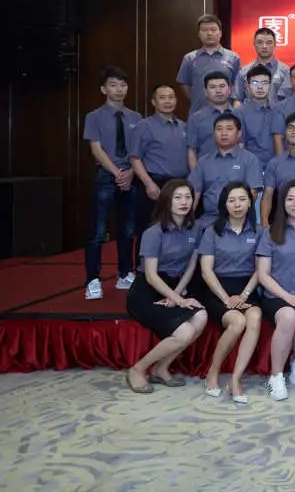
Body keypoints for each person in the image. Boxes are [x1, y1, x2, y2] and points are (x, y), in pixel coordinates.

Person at [123, 179, 207, 393]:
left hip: (174, 287)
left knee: (201, 316)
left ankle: (161, 368)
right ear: (167, 201)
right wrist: (178, 299)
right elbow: (151, 276)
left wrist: (176, 295)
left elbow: (191, 266)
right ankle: (137, 369)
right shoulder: (154, 232)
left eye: (188, 197)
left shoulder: (195, 229)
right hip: (146, 292)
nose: (184, 202)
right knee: (185, 332)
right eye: (177, 197)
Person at [195, 182, 262, 404]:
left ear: (250, 203)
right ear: (224, 204)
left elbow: (261, 270)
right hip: (217, 288)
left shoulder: (259, 231)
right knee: (237, 321)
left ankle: (236, 378)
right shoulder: (212, 231)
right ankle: (213, 371)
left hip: (246, 288)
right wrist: (226, 299)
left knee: (254, 316)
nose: (237, 205)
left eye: (242, 199)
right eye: (232, 200)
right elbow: (206, 270)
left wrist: (243, 296)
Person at [256, 180, 295, 402]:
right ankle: (275, 376)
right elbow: (263, 274)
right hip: (277, 296)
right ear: (282, 203)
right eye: (290, 199)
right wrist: (288, 297)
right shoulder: (270, 233)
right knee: (288, 316)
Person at [84, 66, 142, 300]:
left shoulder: (136, 118)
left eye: (123, 85)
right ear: (103, 89)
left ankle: (125, 273)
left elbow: (139, 149)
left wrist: (130, 172)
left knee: (128, 229)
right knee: (98, 230)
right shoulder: (94, 116)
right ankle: (92, 279)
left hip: (131, 175)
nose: (119, 89)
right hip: (106, 175)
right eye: (113, 85)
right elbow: (96, 149)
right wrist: (117, 172)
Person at [131, 84, 188, 248]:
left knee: (177, 230)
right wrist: (148, 183)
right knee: (149, 231)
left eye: (171, 97)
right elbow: (135, 158)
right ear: (153, 102)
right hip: (155, 185)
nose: (167, 101)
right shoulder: (144, 125)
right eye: (162, 98)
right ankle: (144, 265)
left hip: (179, 185)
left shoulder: (184, 126)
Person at [187, 113, 263, 229]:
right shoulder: (204, 161)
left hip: (238, 220)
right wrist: (187, 220)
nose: (224, 133)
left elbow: (253, 194)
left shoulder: (250, 160)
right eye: (219, 129)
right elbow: (194, 194)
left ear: (239, 134)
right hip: (208, 220)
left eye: (229, 129)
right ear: (213, 134)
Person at [176, 14, 240, 115]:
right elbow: (185, 84)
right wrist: (198, 98)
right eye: (204, 30)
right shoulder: (189, 58)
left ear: (220, 33)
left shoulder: (233, 58)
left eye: (213, 30)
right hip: (198, 112)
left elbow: (238, 86)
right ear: (199, 34)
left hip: (225, 115)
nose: (209, 33)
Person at [186, 71, 237, 167]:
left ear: (230, 89)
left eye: (222, 86)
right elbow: (191, 151)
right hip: (206, 172)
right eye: (213, 87)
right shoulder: (196, 118)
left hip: (235, 171)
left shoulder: (239, 115)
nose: (218, 91)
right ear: (206, 92)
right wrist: (196, 175)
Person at [234, 65, 276, 171]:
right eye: (255, 83)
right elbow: (240, 146)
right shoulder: (239, 113)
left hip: (277, 169)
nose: (260, 87)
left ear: (270, 86)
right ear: (247, 87)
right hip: (252, 169)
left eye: (265, 83)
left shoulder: (279, 110)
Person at [235, 27, 288, 103]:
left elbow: (290, 100)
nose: (264, 46)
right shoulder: (244, 72)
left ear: (275, 45)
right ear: (254, 44)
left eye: (269, 43)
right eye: (260, 42)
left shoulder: (285, 71)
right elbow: (237, 100)